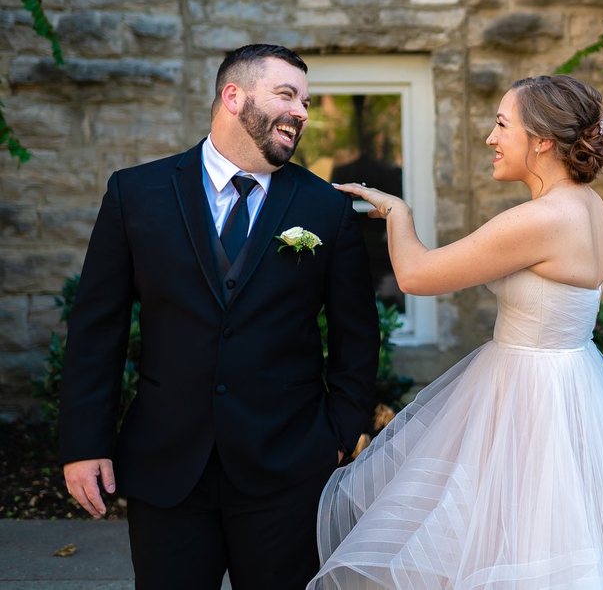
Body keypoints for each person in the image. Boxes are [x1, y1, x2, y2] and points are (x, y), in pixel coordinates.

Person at [314, 75, 603, 588]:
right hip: (573, 385)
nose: (491, 137)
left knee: (521, 539)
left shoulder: (538, 219)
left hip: (530, 398)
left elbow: (416, 276)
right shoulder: (589, 205)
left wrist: (397, 210)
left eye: (503, 125)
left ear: (543, 140)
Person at [59, 44, 382, 590]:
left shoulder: (324, 207)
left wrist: (336, 435)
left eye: (306, 101)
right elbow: (97, 329)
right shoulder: (136, 193)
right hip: (167, 465)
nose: (302, 112)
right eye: (287, 95)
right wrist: (85, 444)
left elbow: (358, 334)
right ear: (234, 97)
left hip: (288, 468)